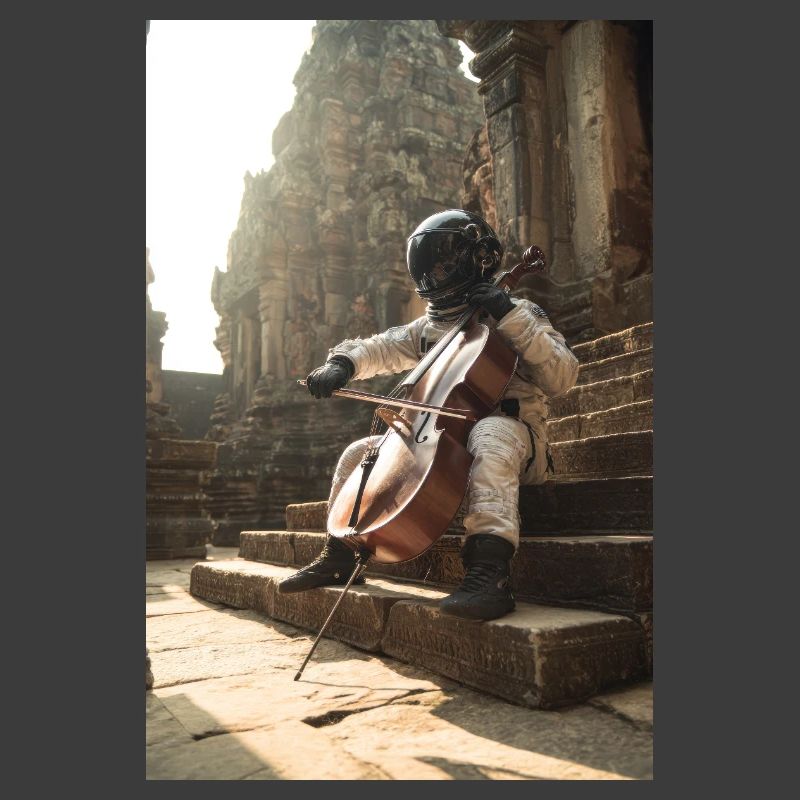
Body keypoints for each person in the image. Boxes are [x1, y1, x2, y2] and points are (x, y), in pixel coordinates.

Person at [278, 210, 579, 621]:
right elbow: (380, 347)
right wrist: (342, 364)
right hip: (441, 447)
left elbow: (563, 376)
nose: (435, 275)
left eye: (443, 265)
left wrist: (509, 315)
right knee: (357, 454)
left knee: (491, 432)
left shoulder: (518, 311)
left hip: (518, 446)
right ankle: (339, 553)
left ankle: (489, 573)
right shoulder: (427, 328)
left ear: (477, 259)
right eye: (430, 267)